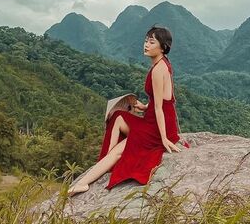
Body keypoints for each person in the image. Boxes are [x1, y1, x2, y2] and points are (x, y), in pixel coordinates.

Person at [67, 25, 189, 196]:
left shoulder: (158, 70)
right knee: (117, 117)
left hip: (157, 127)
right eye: (146, 40)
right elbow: (164, 98)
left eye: (151, 42)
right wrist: (145, 107)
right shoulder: (163, 64)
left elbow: (160, 107)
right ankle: (106, 162)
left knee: (119, 151)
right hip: (153, 119)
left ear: (162, 47)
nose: (146, 44)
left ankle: (84, 183)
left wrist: (163, 138)